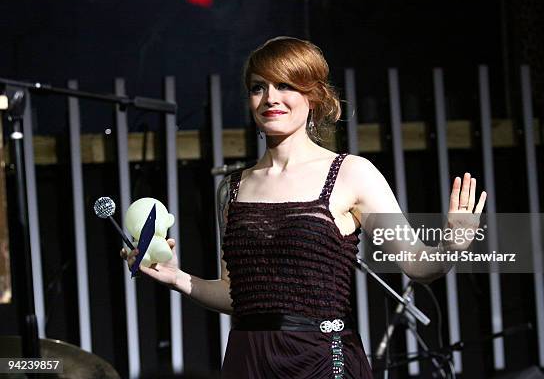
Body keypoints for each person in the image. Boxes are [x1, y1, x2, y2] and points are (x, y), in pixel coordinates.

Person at [121, 36, 487, 378]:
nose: (270, 98)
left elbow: (416, 266)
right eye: (258, 87)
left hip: (321, 357)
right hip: (248, 359)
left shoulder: (351, 173)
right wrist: (179, 278)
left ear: (314, 96)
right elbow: (239, 294)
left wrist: (450, 248)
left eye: (285, 85)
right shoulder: (231, 189)